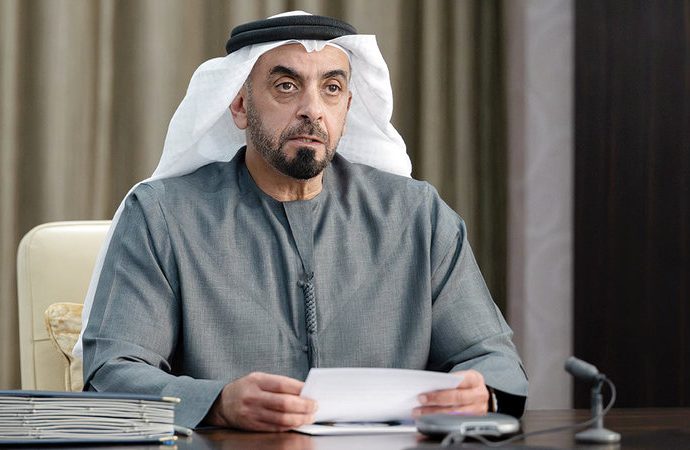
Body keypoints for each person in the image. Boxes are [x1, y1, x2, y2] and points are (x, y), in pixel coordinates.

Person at [76, 11, 528, 431]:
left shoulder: (417, 216)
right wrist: (218, 403)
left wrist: (482, 393)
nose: (313, 109)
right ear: (240, 106)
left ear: (346, 111)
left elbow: (495, 361)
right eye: (287, 86)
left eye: (331, 88)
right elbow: (111, 373)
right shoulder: (162, 216)